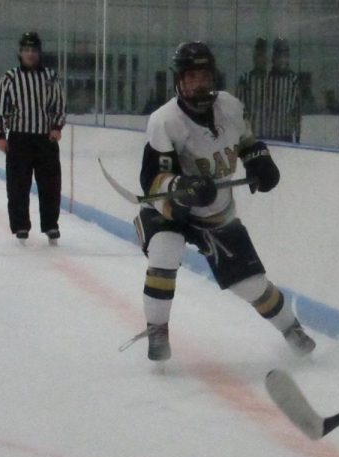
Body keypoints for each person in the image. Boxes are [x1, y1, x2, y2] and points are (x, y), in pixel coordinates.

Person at [132, 41, 316, 362]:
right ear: (179, 81)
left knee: (250, 285)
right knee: (165, 249)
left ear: (213, 77)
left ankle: (291, 328)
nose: (198, 84)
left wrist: (259, 161)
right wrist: (183, 187)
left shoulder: (230, 106)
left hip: (216, 214)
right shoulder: (165, 121)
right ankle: (157, 328)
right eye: (190, 78)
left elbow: (246, 140)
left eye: (203, 77)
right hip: (172, 209)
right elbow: (153, 181)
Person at [0, 31, 66, 242]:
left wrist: (57, 127)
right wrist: (1, 135)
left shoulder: (50, 77)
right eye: (26, 50)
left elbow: (60, 105)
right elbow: (0, 109)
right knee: (18, 186)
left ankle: (51, 225)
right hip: (19, 139)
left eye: (34, 50)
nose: (30, 54)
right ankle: (20, 225)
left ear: (39, 52)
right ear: (20, 52)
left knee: (50, 185)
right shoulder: (10, 78)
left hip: (46, 140)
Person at [238, 38, 301, 142]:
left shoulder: (292, 80)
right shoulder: (246, 80)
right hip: (254, 137)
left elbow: (296, 112)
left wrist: (297, 138)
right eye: (259, 55)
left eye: (285, 56)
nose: (282, 60)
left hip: (283, 137)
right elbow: (240, 111)